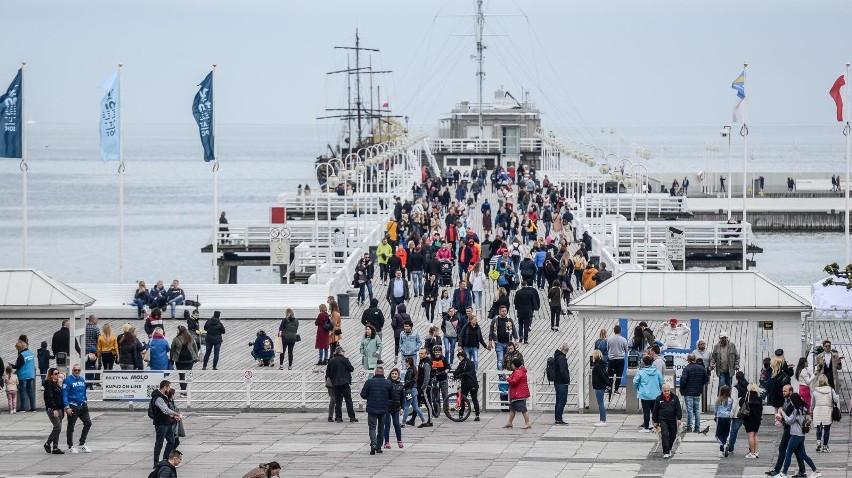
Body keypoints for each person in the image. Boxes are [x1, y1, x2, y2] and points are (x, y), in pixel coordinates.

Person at [765, 383, 807, 476]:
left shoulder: (792, 401)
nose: (783, 392)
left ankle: (777, 470)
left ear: (790, 391)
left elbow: (791, 418)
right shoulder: (787, 401)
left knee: (782, 449)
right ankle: (802, 471)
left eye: (785, 391)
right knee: (797, 451)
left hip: (790, 430)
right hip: (790, 429)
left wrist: (782, 415)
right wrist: (781, 418)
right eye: (783, 391)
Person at [777, 393, 822, 478]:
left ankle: (784, 473)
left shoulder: (796, 411)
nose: (791, 402)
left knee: (788, 453)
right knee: (803, 454)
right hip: (801, 435)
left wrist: (783, 413)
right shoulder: (802, 409)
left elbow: (789, 421)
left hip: (795, 435)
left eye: (791, 401)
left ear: (794, 401)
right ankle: (815, 471)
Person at [360, 365, 393, 455]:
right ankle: (378, 447)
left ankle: (373, 443)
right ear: (383, 373)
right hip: (383, 408)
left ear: (375, 373)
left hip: (372, 408)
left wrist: (369, 397)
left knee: (372, 427)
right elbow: (391, 396)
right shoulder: (388, 383)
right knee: (381, 428)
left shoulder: (369, 382)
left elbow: (363, 394)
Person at [150, 380, 182, 467]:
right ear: (165, 387)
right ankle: (156, 463)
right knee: (159, 443)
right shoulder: (158, 398)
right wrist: (176, 414)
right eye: (169, 387)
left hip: (167, 423)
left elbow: (167, 410)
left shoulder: (164, 397)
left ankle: (165, 460)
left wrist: (173, 416)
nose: (169, 389)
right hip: (160, 424)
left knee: (172, 441)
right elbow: (165, 410)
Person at [62, 364, 92, 453]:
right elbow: (64, 394)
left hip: (82, 405)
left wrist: (85, 401)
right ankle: (70, 446)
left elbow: (84, 392)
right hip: (73, 406)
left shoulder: (82, 380)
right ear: (72, 370)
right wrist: (67, 407)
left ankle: (81, 444)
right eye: (75, 370)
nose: (77, 372)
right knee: (71, 426)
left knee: (88, 423)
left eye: (79, 370)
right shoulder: (67, 381)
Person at [326, 346, 357, 423]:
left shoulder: (331, 360)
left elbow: (328, 373)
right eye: (343, 351)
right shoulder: (344, 360)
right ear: (339, 352)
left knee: (338, 401)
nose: (344, 352)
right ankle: (352, 417)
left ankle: (338, 417)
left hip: (336, 383)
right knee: (348, 400)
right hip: (345, 383)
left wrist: (333, 379)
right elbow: (351, 369)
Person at [679, 354, 709, 433]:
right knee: (697, 410)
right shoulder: (701, 368)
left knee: (689, 411)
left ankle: (689, 427)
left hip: (688, 392)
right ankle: (697, 427)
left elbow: (683, 380)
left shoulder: (687, 368)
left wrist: (682, 389)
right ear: (695, 359)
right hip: (697, 392)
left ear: (688, 360)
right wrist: (700, 384)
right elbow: (706, 379)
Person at [633, 355, 663, 432]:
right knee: (655, 411)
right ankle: (656, 427)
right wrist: (658, 388)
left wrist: (638, 388)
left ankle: (646, 427)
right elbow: (661, 382)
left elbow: (635, 382)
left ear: (644, 363)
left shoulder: (641, 372)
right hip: (655, 394)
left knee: (646, 412)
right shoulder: (657, 372)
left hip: (644, 395)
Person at [652, 383, 683, 459]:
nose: (667, 392)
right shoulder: (658, 399)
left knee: (672, 435)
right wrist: (655, 421)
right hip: (663, 420)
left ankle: (669, 448)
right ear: (662, 391)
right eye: (665, 391)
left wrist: (679, 418)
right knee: (665, 434)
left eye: (668, 391)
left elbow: (678, 408)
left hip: (672, 419)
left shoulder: (675, 398)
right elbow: (655, 410)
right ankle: (666, 451)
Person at [811, 374, 839, 453]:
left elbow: (812, 404)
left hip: (817, 410)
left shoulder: (815, 391)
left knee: (818, 428)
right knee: (827, 429)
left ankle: (818, 441)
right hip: (827, 411)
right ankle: (825, 446)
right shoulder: (830, 390)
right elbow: (836, 400)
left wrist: (811, 412)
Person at [453, 350, 481, 421]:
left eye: (459, 358)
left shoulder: (462, 364)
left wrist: (456, 376)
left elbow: (456, 372)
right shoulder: (472, 363)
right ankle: (477, 415)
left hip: (466, 384)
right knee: (475, 399)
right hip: (474, 383)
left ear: (461, 357)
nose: (459, 359)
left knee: (462, 399)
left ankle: (461, 415)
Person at [42, 367, 65, 453]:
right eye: (55, 373)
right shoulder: (49, 385)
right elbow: (49, 398)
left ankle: (55, 447)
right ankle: (48, 443)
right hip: (53, 409)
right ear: (51, 375)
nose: (57, 375)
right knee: (57, 427)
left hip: (60, 409)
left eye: (58, 373)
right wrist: (54, 409)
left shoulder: (56, 384)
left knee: (58, 428)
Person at [504, 358, 532, 429]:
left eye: (512, 364)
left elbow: (514, 382)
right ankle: (509, 423)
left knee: (523, 409)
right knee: (512, 408)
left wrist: (507, 378)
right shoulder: (519, 371)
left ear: (515, 365)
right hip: (518, 393)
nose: (511, 365)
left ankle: (527, 423)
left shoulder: (518, 372)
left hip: (519, 394)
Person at [170, 326, 198, 391]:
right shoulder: (191, 338)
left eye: (177, 330)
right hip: (189, 360)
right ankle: (186, 389)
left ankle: (183, 390)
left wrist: (172, 360)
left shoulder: (176, 339)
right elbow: (195, 348)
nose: (176, 331)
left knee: (181, 375)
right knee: (188, 375)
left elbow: (172, 350)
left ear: (180, 331)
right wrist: (195, 357)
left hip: (179, 360)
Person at [489, 305, 518, 370]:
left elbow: (513, 330)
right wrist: (490, 341)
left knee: (508, 360)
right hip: (499, 343)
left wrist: (516, 340)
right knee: (500, 359)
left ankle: (508, 375)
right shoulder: (495, 320)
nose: (504, 312)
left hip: (508, 343)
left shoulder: (509, 319)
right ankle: (501, 376)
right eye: (502, 311)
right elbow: (491, 331)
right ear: (499, 311)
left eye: (505, 311)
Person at [726, 371, 748, 456]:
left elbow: (734, 402)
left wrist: (731, 413)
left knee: (734, 431)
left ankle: (731, 447)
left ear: (736, 378)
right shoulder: (748, 386)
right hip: (748, 412)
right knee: (750, 432)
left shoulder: (735, 388)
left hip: (738, 413)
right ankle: (752, 449)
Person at [402, 356, 428, 427]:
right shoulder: (414, 369)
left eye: (406, 362)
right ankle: (423, 420)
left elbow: (409, 381)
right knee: (416, 407)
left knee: (406, 407)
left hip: (409, 391)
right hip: (414, 390)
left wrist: (403, 386)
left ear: (408, 362)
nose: (405, 364)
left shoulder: (410, 370)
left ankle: (403, 423)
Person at [12, 340, 36, 412]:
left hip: (23, 375)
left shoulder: (22, 355)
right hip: (31, 374)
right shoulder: (31, 353)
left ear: (20, 348)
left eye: (18, 348)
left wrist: (11, 366)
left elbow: (18, 366)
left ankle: (22, 408)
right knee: (30, 391)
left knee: (22, 391)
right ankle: (33, 408)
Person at [383, 368, 405, 449]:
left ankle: (399, 440)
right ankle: (387, 442)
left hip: (396, 408)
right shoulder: (387, 383)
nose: (394, 375)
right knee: (387, 424)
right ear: (390, 374)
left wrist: (402, 407)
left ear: (398, 375)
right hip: (387, 407)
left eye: (396, 374)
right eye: (393, 374)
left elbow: (402, 397)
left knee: (397, 424)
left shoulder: (400, 385)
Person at [606, 324, 628, 400]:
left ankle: (609, 387)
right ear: (620, 331)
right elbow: (626, 350)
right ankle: (616, 389)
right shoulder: (623, 340)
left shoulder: (609, 339)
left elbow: (607, 348)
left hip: (611, 359)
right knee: (619, 375)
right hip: (620, 359)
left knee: (610, 374)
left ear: (614, 331)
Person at [742, 382, 764, 459]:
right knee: (755, 435)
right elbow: (761, 408)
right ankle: (756, 451)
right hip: (757, 418)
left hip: (749, 418)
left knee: (750, 435)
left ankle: (752, 452)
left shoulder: (747, 395)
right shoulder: (759, 396)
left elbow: (741, 403)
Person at [414, 348, 434, 427]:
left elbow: (427, 377)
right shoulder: (421, 362)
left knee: (428, 404)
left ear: (426, 354)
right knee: (417, 403)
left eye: (422, 353)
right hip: (420, 386)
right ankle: (413, 419)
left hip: (425, 387)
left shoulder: (426, 363)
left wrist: (423, 387)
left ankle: (430, 421)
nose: (420, 355)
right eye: (419, 353)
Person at [552, 343, 571, 425]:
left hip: (557, 382)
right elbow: (563, 371)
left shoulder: (557, 357)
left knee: (558, 401)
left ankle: (557, 418)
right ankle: (559, 419)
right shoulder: (562, 359)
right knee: (562, 401)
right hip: (562, 383)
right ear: (566, 350)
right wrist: (567, 380)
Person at [714, 385, 733, 457]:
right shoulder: (730, 400)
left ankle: (722, 446)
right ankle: (725, 444)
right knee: (726, 432)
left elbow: (716, 409)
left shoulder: (718, 400)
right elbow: (731, 409)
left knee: (718, 434)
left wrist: (715, 416)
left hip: (720, 417)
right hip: (727, 418)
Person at [591, 350, 608, 426]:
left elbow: (602, 376)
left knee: (600, 403)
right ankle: (602, 419)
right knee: (601, 403)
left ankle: (603, 420)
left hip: (599, 386)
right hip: (601, 386)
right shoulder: (601, 364)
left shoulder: (597, 366)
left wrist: (607, 384)